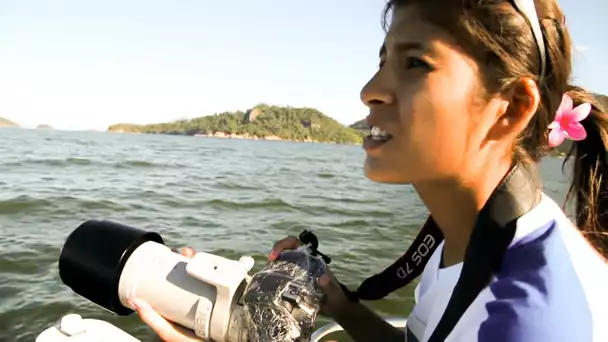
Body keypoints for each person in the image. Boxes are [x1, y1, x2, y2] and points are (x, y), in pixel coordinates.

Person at [131, 0, 608, 341]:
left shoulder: (532, 320)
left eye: (415, 63)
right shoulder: (470, 232)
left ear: (510, 108)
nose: (370, 90)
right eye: (382, 61)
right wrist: (338, 303)